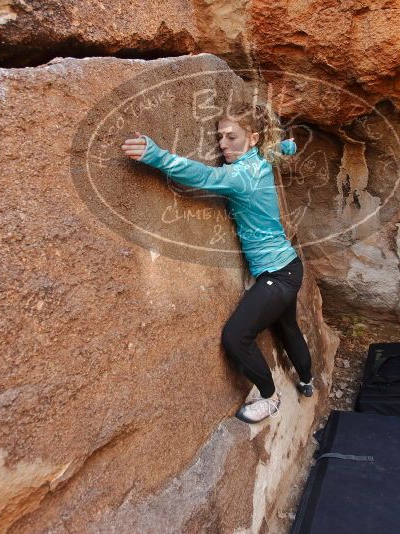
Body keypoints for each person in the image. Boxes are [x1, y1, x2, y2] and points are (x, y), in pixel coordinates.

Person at [120, 102, 314, 424]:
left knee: (236, 337)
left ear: (251, 139)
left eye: (231, 137)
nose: (223, 144)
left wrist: (156, 156)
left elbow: (202, 175)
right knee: (288, 327)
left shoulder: (240, 175)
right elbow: (279, 149)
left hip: (278, 275)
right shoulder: (263, 156)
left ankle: (270, 397)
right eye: (220, 137)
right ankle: (307, 380)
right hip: (288, 267)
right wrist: (288, 146)